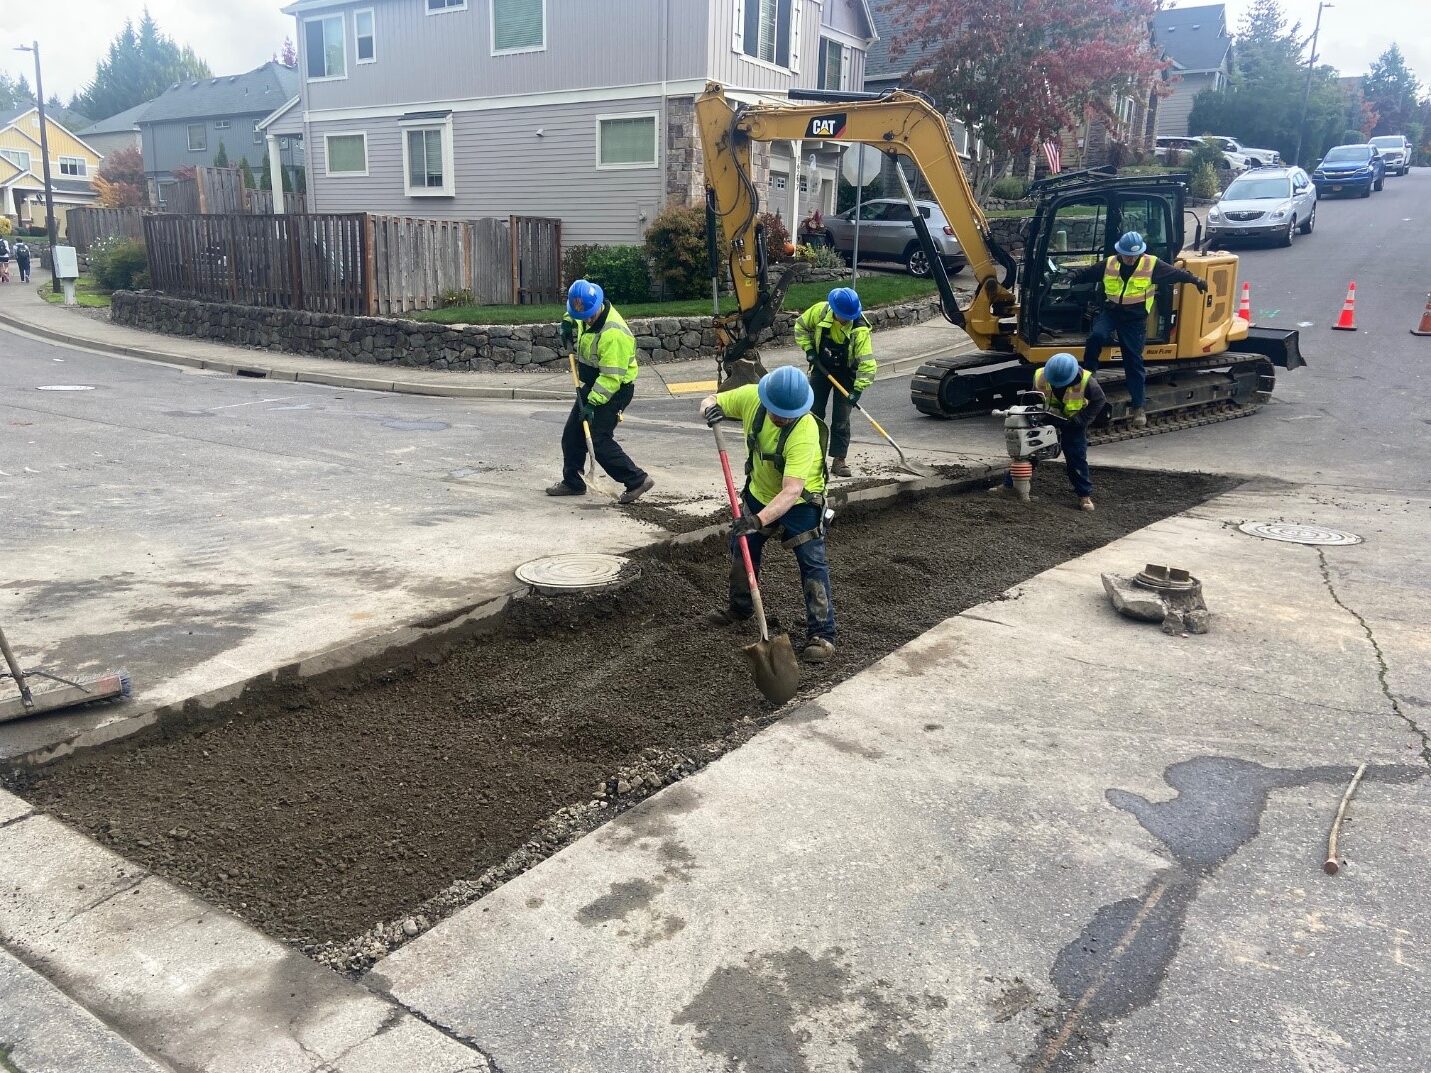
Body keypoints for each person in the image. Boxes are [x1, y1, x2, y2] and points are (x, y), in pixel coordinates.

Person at [700, 365, 836, 663]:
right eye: (777, 411)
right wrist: (709, 408)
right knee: (742, 547)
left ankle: (822, 634)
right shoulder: (752, 398)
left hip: (800, 504)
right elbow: (712, 399)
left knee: (812, 563)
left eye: (789, 414)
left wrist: (757, 521)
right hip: (759, 495)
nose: (782, 418)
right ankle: (740, 609)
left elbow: (790, 491)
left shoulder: (805, 430)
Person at [1065, 230, 1207, 428]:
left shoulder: (1151, 264)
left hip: (1134, 319)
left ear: (1140, 253)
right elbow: (1088, 272)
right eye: (1126, 255)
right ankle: (1090, 372)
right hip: (1112, 312)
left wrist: (1195, 280)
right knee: (1096, 336)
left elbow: (1176, 273)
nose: (1130, 259)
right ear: (1120, 252)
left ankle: (1139, 407)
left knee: (1133, 360)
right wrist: (1072, 275)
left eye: (1133, 255)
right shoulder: (1110, 264)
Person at [546, 279, 655, 504]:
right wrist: (566, 324)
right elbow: (573, 315)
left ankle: (637, 480)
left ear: (598, 307)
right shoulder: (584, 312)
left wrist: (592, 404)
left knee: (597, 439)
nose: (585, 319)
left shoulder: (613, 334)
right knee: (572, 434)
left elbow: (611, 377)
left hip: (614, 389)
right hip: (594, 382)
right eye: (580, 316)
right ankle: (573, 482)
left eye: (588, 315)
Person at [994, 352, 1107, 512]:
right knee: (1028, 450)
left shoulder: (1087, 382)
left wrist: (1082, 419)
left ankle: (1084, 495)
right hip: (1047, 417)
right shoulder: (1041, 376)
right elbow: (1034, 397)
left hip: (1073, 421)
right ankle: (1009, 485)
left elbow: (1099, 401)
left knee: (1076, 457)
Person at [795, 286, 875, 477]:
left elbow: (867, 364)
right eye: (843, 316)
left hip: (846, 374)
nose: (847, 319)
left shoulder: (859, 329)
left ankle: (839, 460)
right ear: (835, 310)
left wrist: (857, 391)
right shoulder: (820, 312)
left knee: (841, 419)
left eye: (850, 316)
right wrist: (809, 351)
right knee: (813, 414)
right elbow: (800, 327)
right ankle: (813, 457)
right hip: (821, 368)